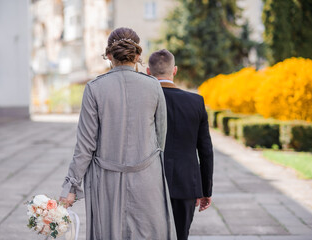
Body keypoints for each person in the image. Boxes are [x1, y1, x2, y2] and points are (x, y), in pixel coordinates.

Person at [59, 28, 176, 240]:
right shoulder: (153, 86)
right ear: (138, 56)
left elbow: (85, 146)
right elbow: (161, 138)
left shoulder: (94, 88)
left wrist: (70, 186)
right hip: (148, 178)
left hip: (107, 182)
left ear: (109, 55)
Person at [147, 49, 214, 240]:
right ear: (174, 70)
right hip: (186, 184)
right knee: (181, 236)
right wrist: (205, 190)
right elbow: (206, 150)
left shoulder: (144, 102)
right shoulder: (196, 102)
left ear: (148, 71)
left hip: (150, 183)